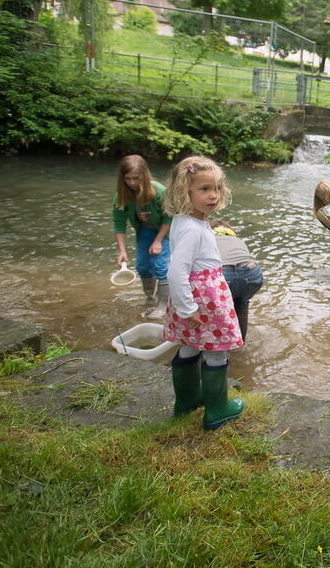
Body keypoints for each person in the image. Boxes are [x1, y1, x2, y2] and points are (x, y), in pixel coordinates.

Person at [161, 156, 245, 431]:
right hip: (204, 300)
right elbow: (175, 271)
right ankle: (217, 410)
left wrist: (186, 306)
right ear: (184, 191)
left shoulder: (186, 221)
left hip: (195, 297)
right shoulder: (192, 229)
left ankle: (187, 400)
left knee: (190, 344)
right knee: (216, 351)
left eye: (217, 188)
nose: (213, 195)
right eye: (204, 189)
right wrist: (188, 308)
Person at [111, 154, 172, 317]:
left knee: (160, 265)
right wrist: (122, 251)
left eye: (136, 178)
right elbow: (119, 223)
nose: (132, 183)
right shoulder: (122, 196)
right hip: (145, 230)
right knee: (143, 266)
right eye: (127, 178)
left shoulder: (158, 191)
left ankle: (163, 305)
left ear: (144, 176)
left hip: (166, 231)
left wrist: (158, 241)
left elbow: (170, 216)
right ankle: (150, 298)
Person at [210, 220, 263, 341]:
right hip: (252, 272)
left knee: (218, 312)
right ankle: (240, 344)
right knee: (241, 304)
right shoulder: (238, 241)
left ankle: (218, 348)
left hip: (225, 273)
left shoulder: (207, 240)